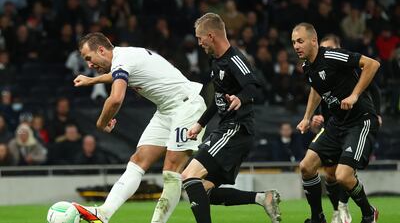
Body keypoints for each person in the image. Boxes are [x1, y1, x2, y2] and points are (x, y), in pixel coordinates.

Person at [72, 32, 278, 223]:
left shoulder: (123, 59)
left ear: (101, 50)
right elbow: (115, 76)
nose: (89, 64)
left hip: (187, 104)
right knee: (138, 160)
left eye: (88, 58)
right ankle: (104, 213)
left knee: (172, 168)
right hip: (166, 110)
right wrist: (93, 80)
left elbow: (115, 99)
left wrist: (100, 123)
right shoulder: (123, 59)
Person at [181, 13, 281, 223]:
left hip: (236, 129)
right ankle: (263, 198)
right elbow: (217, 100)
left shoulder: (235, 59)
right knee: (202, 190)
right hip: (228, 128)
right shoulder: (216, 61)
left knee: (189, 176)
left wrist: (241, 99)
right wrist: (200, 124)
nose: (199, 43)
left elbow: (254, 85)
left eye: (200, 38)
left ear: (211, 36)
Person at [292, 23, 380, 223]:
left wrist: (355, 95)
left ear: (314, 41)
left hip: (360, 121)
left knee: (343, 176)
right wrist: (307, 117)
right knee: (306, 166)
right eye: (293, 42)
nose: (296, 46)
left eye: (300, 41)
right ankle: (317, 218)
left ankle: (369, 213)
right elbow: (316, 88)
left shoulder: (332, 56)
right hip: (336, 123)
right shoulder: (307, 66)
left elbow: (372, 64)